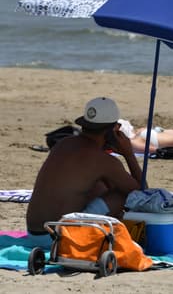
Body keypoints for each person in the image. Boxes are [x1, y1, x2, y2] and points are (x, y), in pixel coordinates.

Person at [26, 97, 144, 246]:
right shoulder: (103, 161)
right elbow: (141, 194)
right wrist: (129, 154)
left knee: (99, 186)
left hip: (34, 234)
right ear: (113, 130)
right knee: (121, 195)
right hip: (57, 238)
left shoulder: (63, 144)